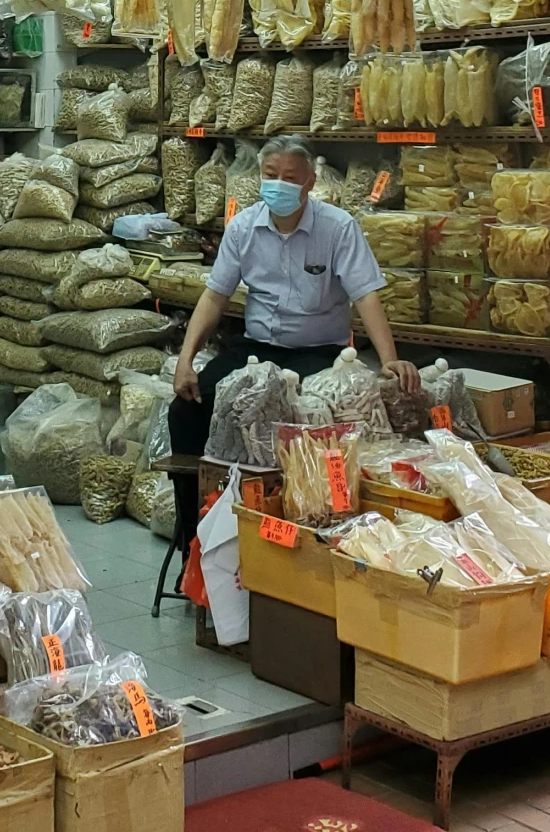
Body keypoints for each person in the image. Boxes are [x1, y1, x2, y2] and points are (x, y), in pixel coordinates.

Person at [168, 135, 421, 537]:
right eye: (271, 175)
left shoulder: (338, 228)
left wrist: (389, 359)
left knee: (307, 423)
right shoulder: (244, 226)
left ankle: (301, 527)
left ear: (310, 182)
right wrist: (186, 359)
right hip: (255, 351)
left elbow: (366, 297)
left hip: (318, 354)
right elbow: (214, 297)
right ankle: (194, 533)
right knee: (188, 408)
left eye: (290, 177)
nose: (279, 185)